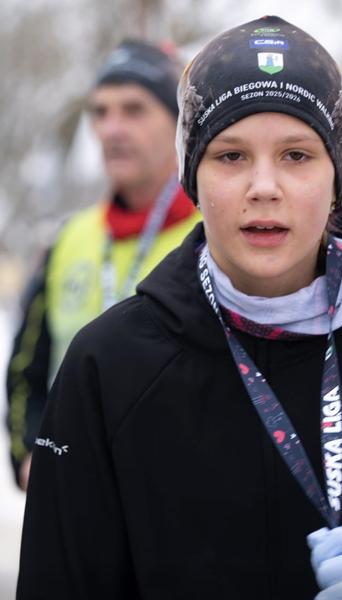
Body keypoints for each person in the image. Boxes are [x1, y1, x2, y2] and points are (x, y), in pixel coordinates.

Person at [17, 15, 342, 600]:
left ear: (337, 177)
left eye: (297, 155)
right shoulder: (105, 366)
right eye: (230, 156)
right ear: (192, 179)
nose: (264, 186)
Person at [6, 39, 199, 491]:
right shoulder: (69, 239)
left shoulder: (215, 236)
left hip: (177, 500)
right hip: (77, 498)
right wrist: (29, 453)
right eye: (100, 112)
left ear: (178, 124)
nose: (112, 129)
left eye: (134, 110)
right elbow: (25, 370)